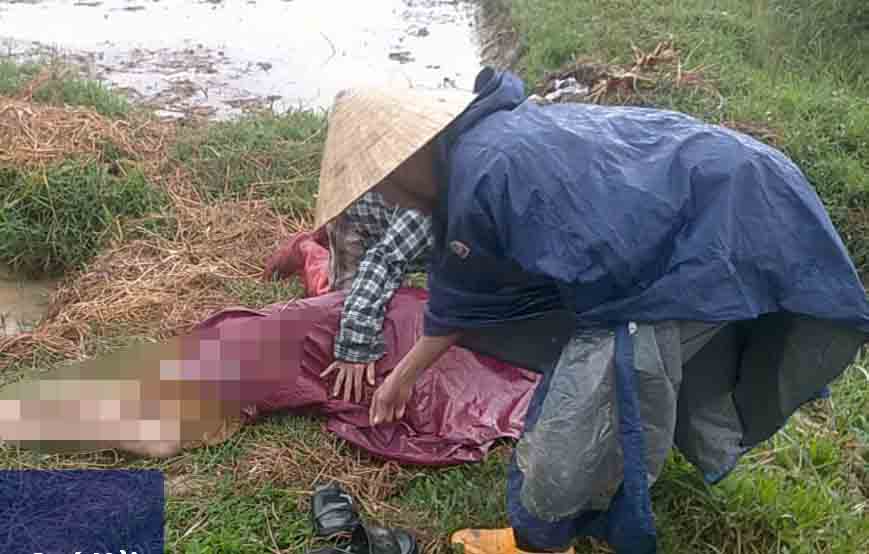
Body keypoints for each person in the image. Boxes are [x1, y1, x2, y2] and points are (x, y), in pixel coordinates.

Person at [310, 68, 869, 554]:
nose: (387, 197)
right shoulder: (478, 150)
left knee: (579, 411)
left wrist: (402, 376)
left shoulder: (485, 173)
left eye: (383, 182)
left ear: (410, 156)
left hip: (712, 221)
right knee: (607, 379)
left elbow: (583, 279)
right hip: (717, 185)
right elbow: (465, 292)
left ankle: (541, 539)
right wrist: (405, 374)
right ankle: (617, 467)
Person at [263, 190, 433, 403]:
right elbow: (384, 262)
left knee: (393, 303)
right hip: (355, 219)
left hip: (403, 233)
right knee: (342, 305)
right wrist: (356, 346)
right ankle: (307, 251)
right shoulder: (427, 205)